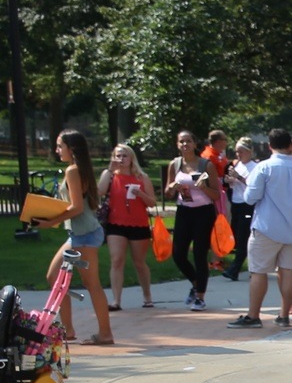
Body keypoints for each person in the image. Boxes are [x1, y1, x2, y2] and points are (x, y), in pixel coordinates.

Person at [31, 130, 114, 345]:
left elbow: (76, 207)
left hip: (84, 235)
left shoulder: (73, 171)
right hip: (79, 234)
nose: (57, 150)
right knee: (54, 276)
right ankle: (67, 330)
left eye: (60, 146)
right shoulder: (78, 169)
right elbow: (75, 205)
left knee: (91, 283)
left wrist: (50, 221)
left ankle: (105, 334)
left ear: (72, 148)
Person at [228, 128, 292, 328]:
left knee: (258, 272)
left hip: (267, 227)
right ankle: (284, 315)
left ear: (270, 146)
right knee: (288, 270)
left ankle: (253, 315)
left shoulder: (264, 167)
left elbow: (250, 197)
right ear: (290, 145)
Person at [166, 129, 219, 311]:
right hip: (184, 211)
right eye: (181, 141)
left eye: (188, 141)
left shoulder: (206, 165)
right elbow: (167, 192)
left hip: (203, 212)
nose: (185, 145)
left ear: (195, 144)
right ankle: (196, 283)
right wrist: (173, 187)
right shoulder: (175, 164)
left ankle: (200, 297)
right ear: (177, 144)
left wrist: (203, 187)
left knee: (199, 254)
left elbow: (216, 194)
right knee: (178, 254)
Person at [102, 142, 158, 310]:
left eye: (124, 155)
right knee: (117, 260)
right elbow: (98, 191)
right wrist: (109, 171)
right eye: (118, 155)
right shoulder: (110, 175)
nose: (121, 159)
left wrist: (140, 194)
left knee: (139, 262)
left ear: (132, 158)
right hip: (115, 224)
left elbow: (152, 202)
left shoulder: (142, 177)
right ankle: (116, 301)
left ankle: (147, 296)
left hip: (138, 224)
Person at [222, 139, 257, 280]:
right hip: (236, 204)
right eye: (236, 151)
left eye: (241, 151)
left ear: (249, 152)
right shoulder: (236, 165)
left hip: (247, 205)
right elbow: (233, 185)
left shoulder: (255, 167)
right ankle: (254, 266)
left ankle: (234, 269)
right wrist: (228, 180)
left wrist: (239, 178)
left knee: (244, 237)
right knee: (237, 235)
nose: (238, 154)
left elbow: (254, 186)